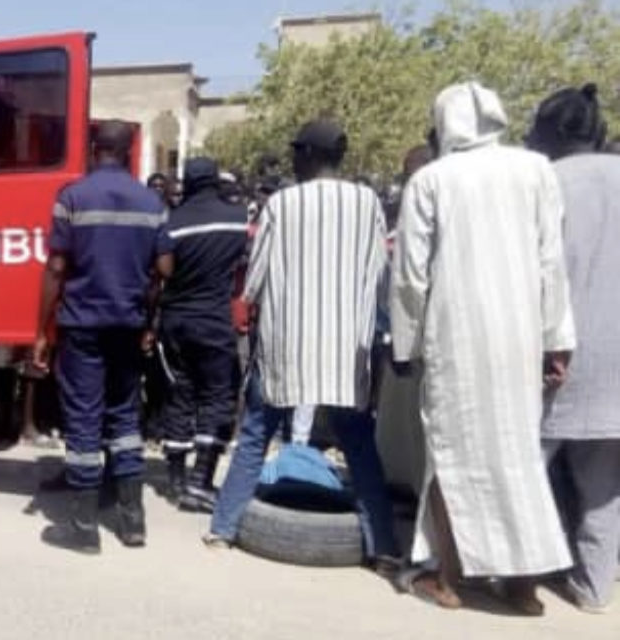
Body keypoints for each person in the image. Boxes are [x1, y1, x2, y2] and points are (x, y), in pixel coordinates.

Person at [390, 82, 575, 615]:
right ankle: (521, 587)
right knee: (516, 452)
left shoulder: (431, 180)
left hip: (455, 336)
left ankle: (446, 579)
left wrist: (405, 342)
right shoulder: (536, 170)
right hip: (520, 336)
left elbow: (410, 278)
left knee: (452, 453)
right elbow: (550, 262)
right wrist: (556, 339)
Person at [206, 120, 399, 572]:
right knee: (360, 446)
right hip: (344, 349)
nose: (292, 160)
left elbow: (253, 282)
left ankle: (223, 529)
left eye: (296, 152)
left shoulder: (282, 203)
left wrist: (255, 298)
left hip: (286, 346)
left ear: (309, 154)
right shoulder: (367, 201)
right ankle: (384, 547)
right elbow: (380, 274)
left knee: (255, 435)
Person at [33, 120, 174, 554]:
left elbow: (56, 268)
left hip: (82, 325)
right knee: (124, 418)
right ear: (129, 151)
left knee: (83, 418)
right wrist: (148, 321)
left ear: (95, 149)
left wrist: (42, 330)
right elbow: (164, 271)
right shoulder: (152, 202)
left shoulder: (72, 196)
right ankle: (133, 522)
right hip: (128, 326)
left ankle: (83, 525)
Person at [528, 83, 620, 615]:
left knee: (525, 471)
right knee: (604, 489)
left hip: (557, 360)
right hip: (615, 365)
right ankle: (592, 587)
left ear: (554, 132)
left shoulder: (546, 182)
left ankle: (513, 576)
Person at [157, 157, 249, 513]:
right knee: (216, 397)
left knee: (179, 394)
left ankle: (176, 480)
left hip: (176, 321)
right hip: (213, 321)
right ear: (214, 181)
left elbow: (161, 271)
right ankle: (201, 481)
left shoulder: (172, 222)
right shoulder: (237, 220)